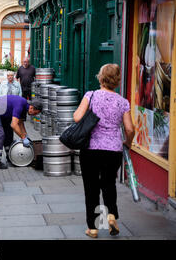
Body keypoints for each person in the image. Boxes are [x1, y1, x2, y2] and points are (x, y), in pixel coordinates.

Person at [73, 63, 135, 239]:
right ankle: (111, 216)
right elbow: (130, 129)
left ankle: (93, 228)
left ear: (100, 78)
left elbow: (77, 117)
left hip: (91, 148)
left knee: (91, 187)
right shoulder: (123, 102)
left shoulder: (90, 96)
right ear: (117, 80)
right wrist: (127, 143)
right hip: (113, 149)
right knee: (109, 183)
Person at [0, 95, 43, 169]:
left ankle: (10, 156)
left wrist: (26, 136)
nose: (34, 115)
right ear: (31, 108)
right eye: (35, 113)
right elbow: (14, 125)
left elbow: (20, 123)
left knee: (9, 133)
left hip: (3, 115)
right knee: (0, 134)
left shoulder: (25, 107)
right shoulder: (20, 104)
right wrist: (23, 137)